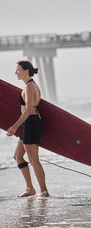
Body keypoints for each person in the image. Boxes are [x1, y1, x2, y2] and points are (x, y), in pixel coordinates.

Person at [7, 60, 49, 197]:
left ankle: (44, 191)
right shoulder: (29, 86)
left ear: (26, 71)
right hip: (29, 123)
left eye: (18, 70)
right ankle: (30, 188)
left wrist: (14, 126)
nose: (16, 73)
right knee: (18, 156)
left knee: (34, 160)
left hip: (31, 123)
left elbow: (29, 109)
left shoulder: (30, 87)